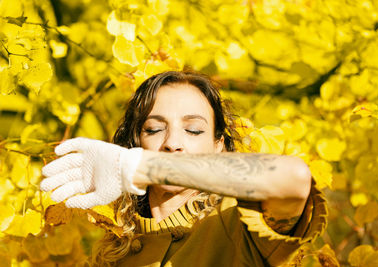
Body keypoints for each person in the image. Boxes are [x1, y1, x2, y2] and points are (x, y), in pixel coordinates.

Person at [41, 71, 327, 267]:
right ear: (135, 142)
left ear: (219, 145)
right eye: (154, 129)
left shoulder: (238, 223)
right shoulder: (114, 252)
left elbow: (294, 178)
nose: (173, 143)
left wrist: (143, 167)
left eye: (193, 130)